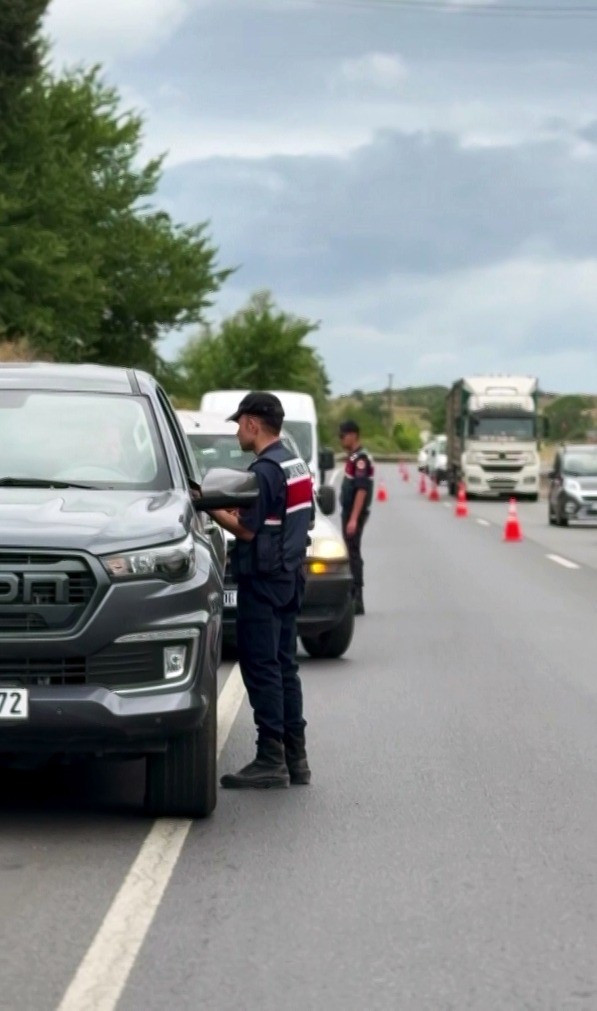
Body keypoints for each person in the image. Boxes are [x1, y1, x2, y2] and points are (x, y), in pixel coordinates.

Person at [209, 392, 314, 789]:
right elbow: (288, 518)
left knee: (261, 667)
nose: (238, 431)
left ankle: (270, 758)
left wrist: (209, 506)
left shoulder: (266, 470)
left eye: (239, 423)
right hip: (290, 576)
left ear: (253, 423)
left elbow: (248, 530)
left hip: (264, 581)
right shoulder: (294, 463)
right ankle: (296, 757)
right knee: (285, 666)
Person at [338, 419, 374, 615]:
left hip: (354, 512)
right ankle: (353, 595)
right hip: (350, 511)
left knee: (353, 553)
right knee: (351, 551)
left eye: (343, 435)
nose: (341, 439)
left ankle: (357, 597)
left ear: (353, 435)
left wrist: (353, 518)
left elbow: (361, 490)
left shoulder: (361, 459)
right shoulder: (353, 458)